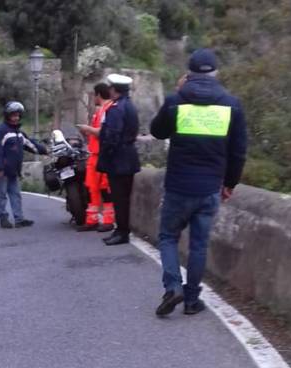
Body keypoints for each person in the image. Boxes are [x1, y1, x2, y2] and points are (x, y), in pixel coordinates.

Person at [150, 48, 247, 316]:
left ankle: (173, 287)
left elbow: (157, 132)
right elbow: (238, 152)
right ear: (216, 73)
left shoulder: (175, 101)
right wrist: (230, 184)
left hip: (178, 187)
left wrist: (178, 92)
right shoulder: (231, 104)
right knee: (199, 245)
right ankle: (192, 300)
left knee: (168, 237)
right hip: (209, 190)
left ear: (188, 74)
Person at [97, 74, 141, 246]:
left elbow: (112, 135)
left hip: (118, 160)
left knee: (119, 198)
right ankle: (121, 230)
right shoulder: (129, 106)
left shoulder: (116, 109)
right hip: (128, 157)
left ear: (114, 90)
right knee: (123, 198)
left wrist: (106, 154)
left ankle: (122, 232)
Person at [0, 101, 48, 229]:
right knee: (1, 194)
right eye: (13, 115)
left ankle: (19, 219)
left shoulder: (19, 132)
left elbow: (30, 144)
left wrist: (45, 150)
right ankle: (3, 218)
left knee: (16, 194)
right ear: (7, 115)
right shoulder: (0, 131)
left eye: (18, 115)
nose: (16, 118)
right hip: (2, 170)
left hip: (14, 170)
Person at [76, 83, 115, 233]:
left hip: (103, 155)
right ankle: (92, 220)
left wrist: (87, 129)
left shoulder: (108, 109)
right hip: (95, 155)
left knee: (105, 189)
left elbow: (103, 132)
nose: (93, 98)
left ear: (98, 94)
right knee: (92, 188)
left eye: (93, 95)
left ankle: (108, 221)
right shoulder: (101, 111)